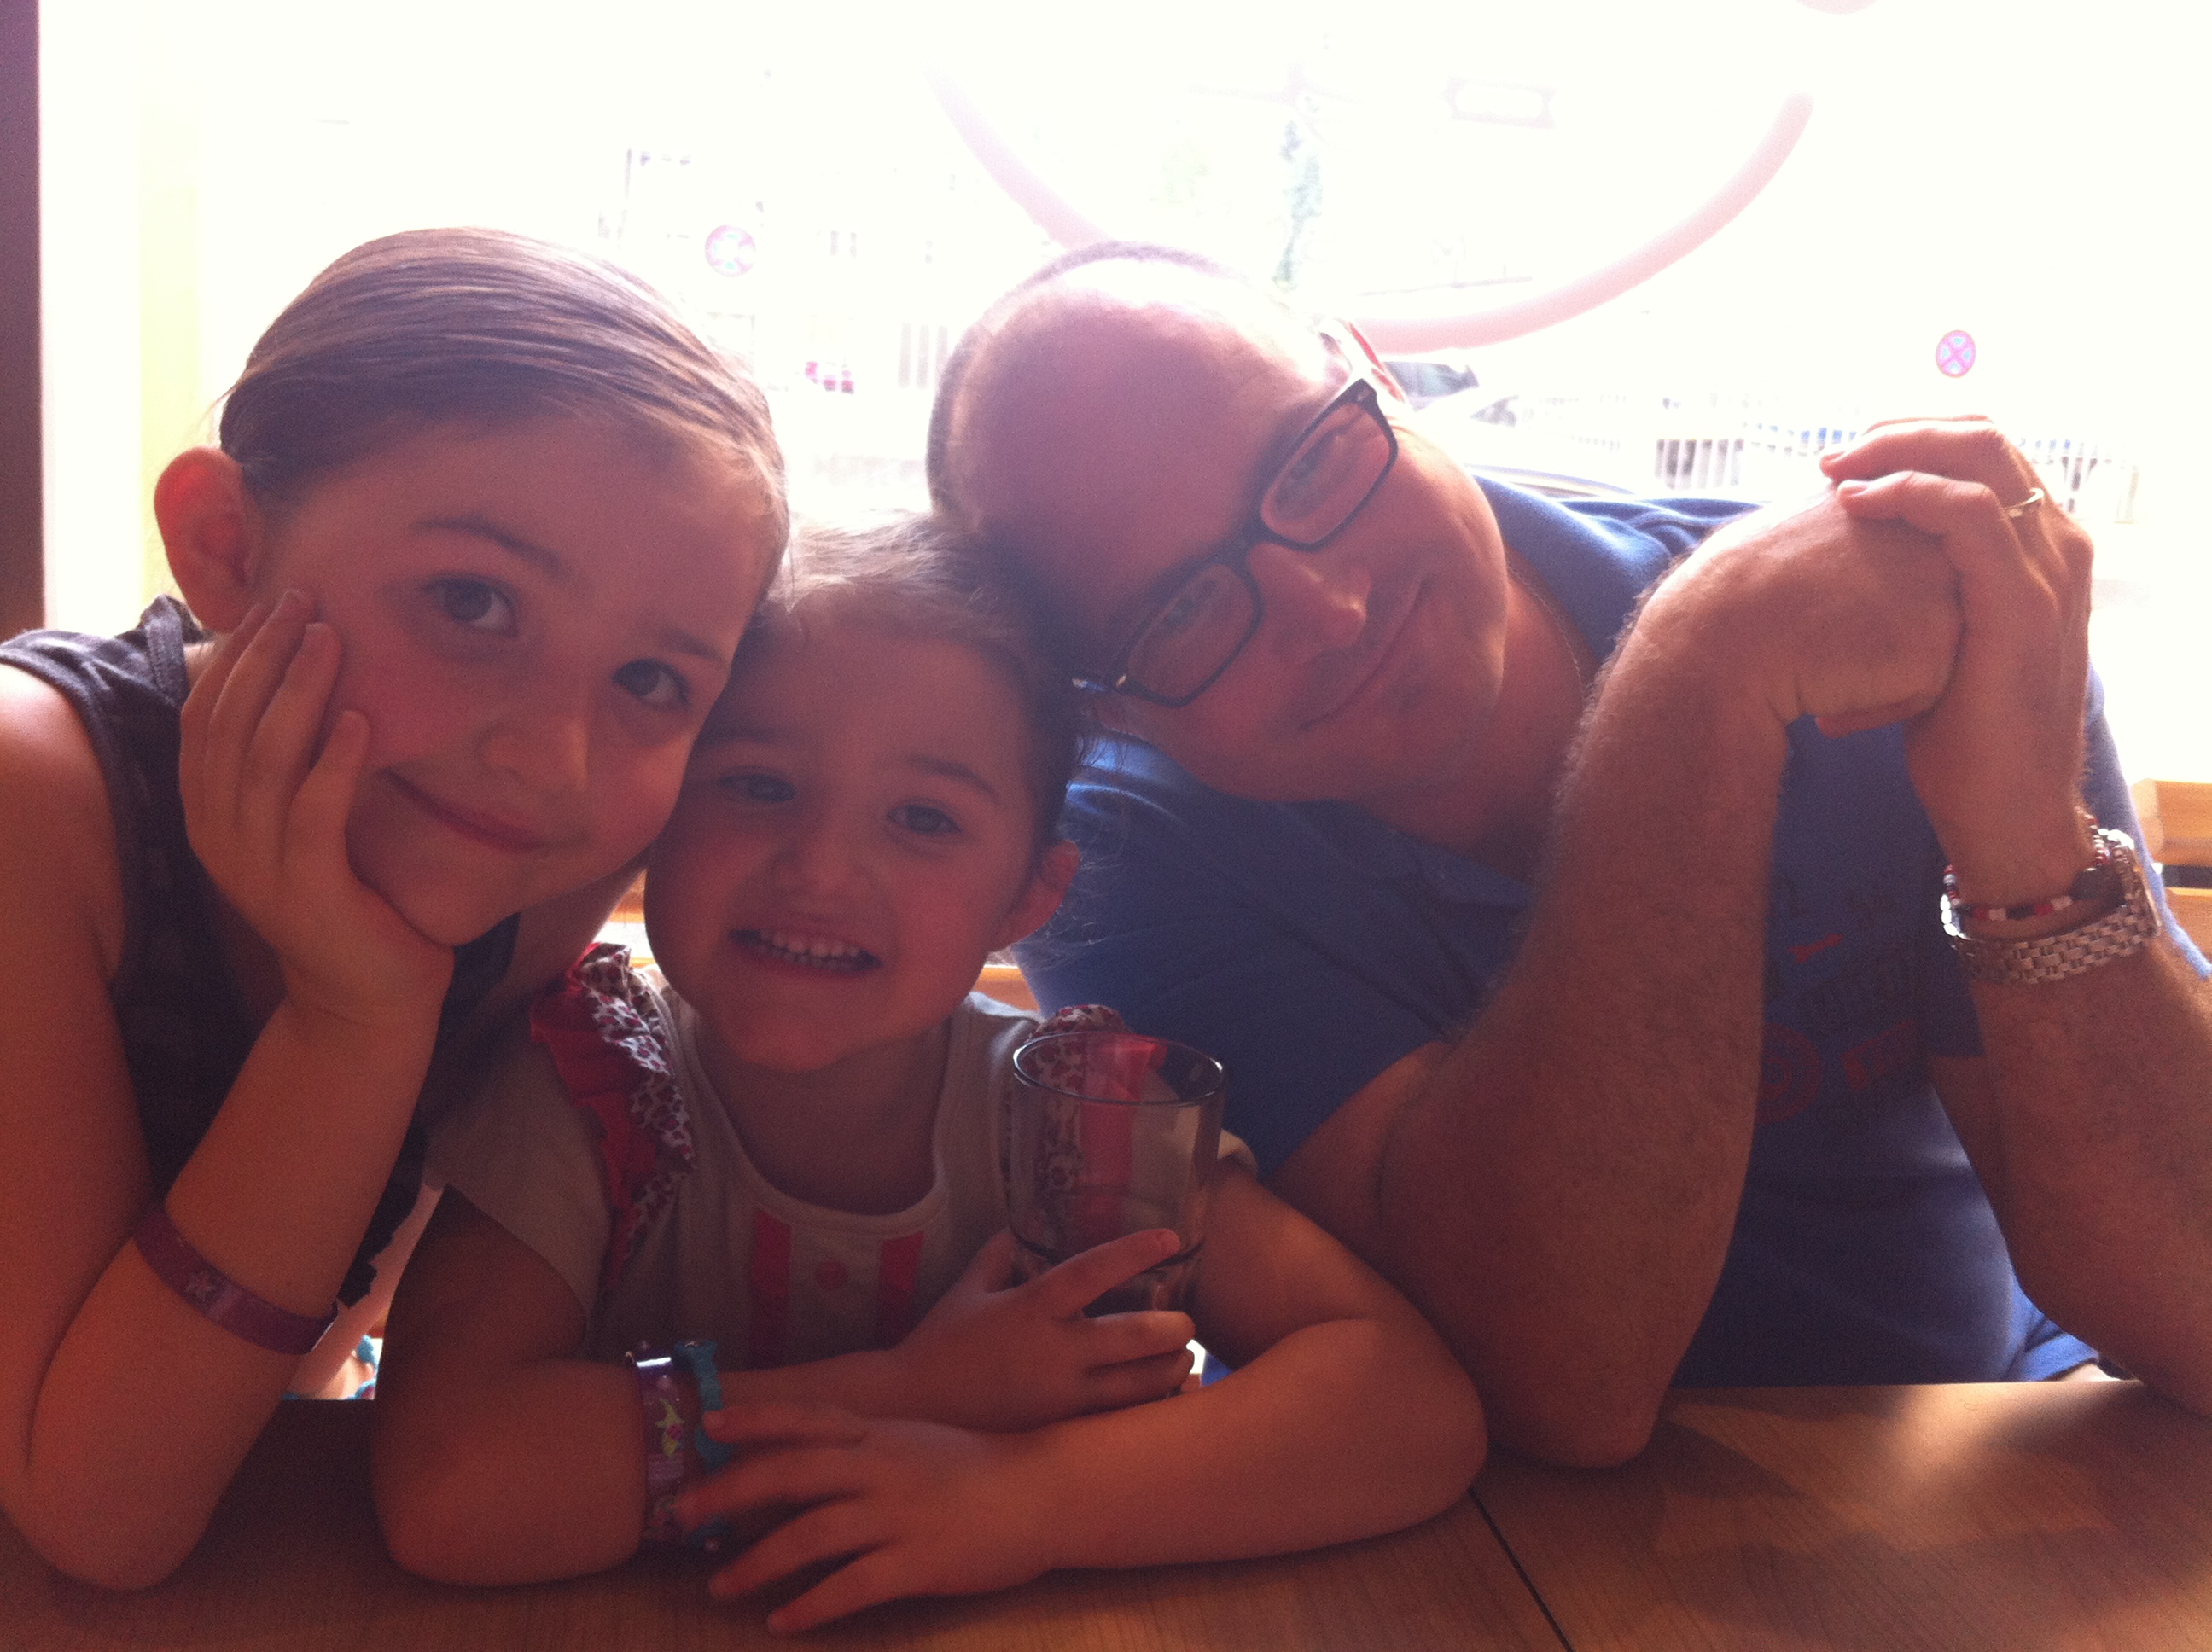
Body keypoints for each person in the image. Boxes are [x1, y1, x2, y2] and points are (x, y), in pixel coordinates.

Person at [925, 243, 2212, 1467]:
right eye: (1182, 612)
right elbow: (1566, 1385)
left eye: (1311, 466)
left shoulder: (1865, 626)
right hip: (1481, 1543)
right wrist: (1694, 683)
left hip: (1979, 1453)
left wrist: (2026, 834)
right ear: (1103, 708)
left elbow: (2192, 1305)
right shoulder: (1126, 852)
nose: (1333, 608)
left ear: (1372, 372)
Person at [370, 517, 1485, 1632]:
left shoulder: (1075, 1124)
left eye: (922, 818)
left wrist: (1023, 1500)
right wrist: (908, 1394)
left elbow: (1408, 1403)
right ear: (658, 810)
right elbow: (448, 1486)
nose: (819, 868)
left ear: (1027, 898)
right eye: (757, 785)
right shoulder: (590, 1084)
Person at [0, 227, 786, 1587]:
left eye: (651, 682)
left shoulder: (525, 859)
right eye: (473, 603)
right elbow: (102, 1518)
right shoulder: (34, 800)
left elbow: (274, 1387)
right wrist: (354, 1025)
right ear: (227, 546)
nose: (553, 759)